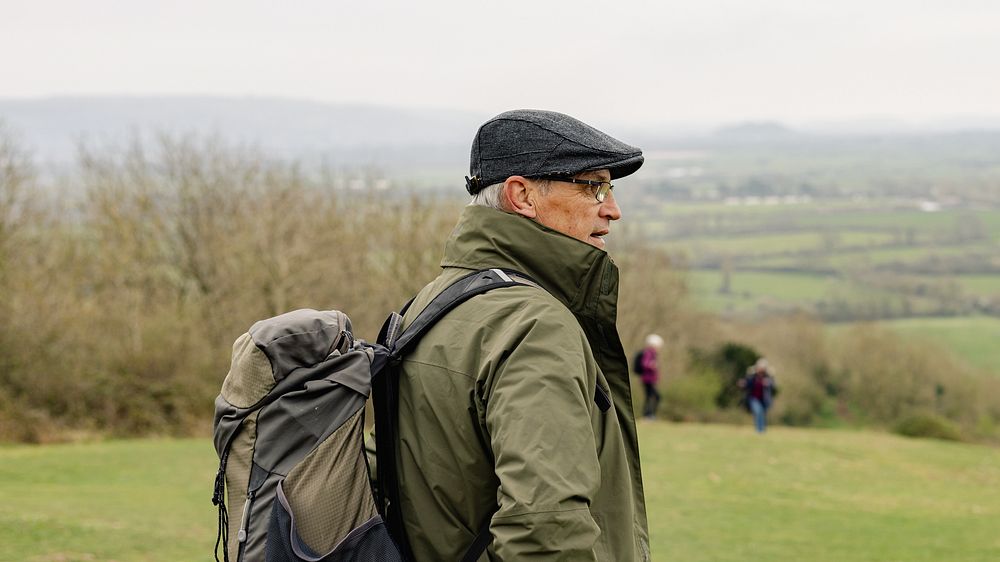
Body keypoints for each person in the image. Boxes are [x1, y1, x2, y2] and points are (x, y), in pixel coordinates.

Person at [386, 109, 650, 561]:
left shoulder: (427, 304)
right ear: (522, 195)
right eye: (594, 186)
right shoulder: (533, 327)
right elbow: (546, 533)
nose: (613, 209)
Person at [741, 358, 776, 433]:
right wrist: (743, 384)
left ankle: (762, 430)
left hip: (764, 399)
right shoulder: (752, 376)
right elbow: (747, 383)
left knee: (763, 413)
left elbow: (773, 384)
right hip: (753, 398)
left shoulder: (768, 376)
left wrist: (768, 383)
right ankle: (758, 430)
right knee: (757, 411)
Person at [639, 334, 664, 419]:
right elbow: (645, 364)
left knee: (650, 396)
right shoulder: (649, 353)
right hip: (648, 379)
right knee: (655, 397)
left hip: (649, 379)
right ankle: (649, 415)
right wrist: (653, 365)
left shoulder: (652, 353)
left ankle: (648, 415)